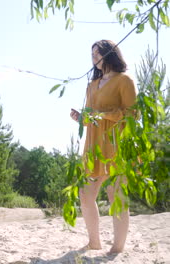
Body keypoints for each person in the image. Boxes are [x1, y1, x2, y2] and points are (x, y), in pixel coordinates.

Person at [70, 40, 137, 253]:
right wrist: (81, 118)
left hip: (117, 143)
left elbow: (133, 114)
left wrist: (103, 115)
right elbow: (92, 118)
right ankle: (94, 242)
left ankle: (117, 248)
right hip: (93, 146)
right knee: (85, 195)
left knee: (115, 195)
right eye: (92, 55)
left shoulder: (124, 80)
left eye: (97, 54)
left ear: (108, 54)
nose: (94, 58)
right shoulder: (91, 85)